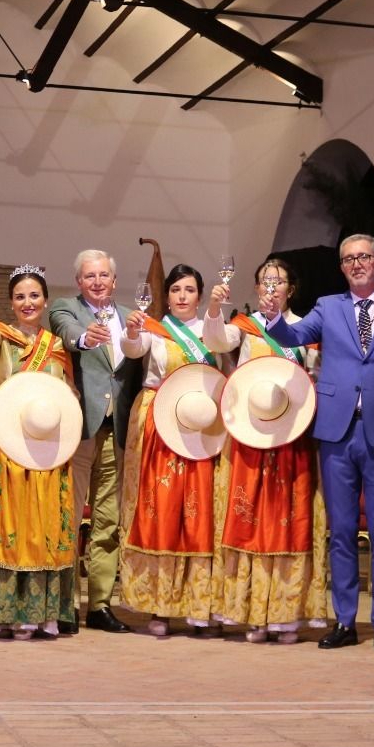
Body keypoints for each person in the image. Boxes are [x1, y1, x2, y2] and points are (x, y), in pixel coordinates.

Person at [260, 235, 374, 652]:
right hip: (336, 430)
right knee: (342, 531)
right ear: (342, 267)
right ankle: (345, 620)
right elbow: (291, 337)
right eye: (349, 259)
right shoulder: (328, 307)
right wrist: (272, 315)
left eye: (364, 256)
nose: (357, 264)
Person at [117, 263, 238, 637]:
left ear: (199, 296)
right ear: (165, 296)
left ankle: (201, 606)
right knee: (161, 511)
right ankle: (159, 607)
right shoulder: (155, 330)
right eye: (175, 290)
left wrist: (217, 311)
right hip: (160, 425)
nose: (182, 296)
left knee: (200, 511)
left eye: (189, 290)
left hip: (203, 426)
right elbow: (132, 348)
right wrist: (132, 331)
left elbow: (225, 347)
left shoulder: (211, 331)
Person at [215, 257, 330, 643]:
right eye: (264, 281)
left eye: (278, 282)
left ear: (290, 290)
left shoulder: (307, 329)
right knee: (250, 520)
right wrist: (214, 308)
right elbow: (216, 341)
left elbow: (315, 376)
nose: (271, 288)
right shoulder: (244, 329)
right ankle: (252, 614)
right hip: (250, 437)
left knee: (290, 522)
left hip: (293, 438)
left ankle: (286, 614)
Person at [0, 265, 79, 639]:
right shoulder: (0, 336)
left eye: (34, 295)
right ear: (10, 303)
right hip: (2, 444)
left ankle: (39, 612)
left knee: (40, 526)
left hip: (44, 447)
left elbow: (65, 396)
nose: (27, 303)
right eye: (20, 296)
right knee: (3, 526)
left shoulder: (58, 347)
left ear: (45, 300)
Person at [48, 250, 145, 633]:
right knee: (69, 518)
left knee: (108, 521)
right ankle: (64, 602)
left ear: (115, 280)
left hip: (117, 431)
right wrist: (86, 338)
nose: (98, 281)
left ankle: (101, 604)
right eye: (90, 276)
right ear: (79, 281)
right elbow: (67, 334)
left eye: (104, 275)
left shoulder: (130, 316)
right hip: (79, 430)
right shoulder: (65, 308)